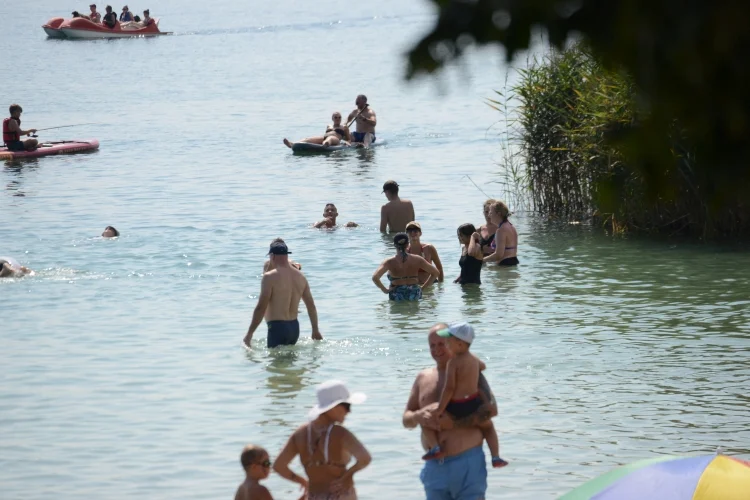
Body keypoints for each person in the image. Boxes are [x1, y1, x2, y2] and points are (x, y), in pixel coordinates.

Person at [403, 323, 500, 500]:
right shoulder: (423, 378)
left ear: (453, 343)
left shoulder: (470, 370)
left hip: (468, 464)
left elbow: (491, 410)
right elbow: (406, 419)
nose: (436, 350)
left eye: (441, 344)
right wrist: (419, 416)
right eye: (432, 345)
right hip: (435, 467)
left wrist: (454, 423)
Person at [422, 322, 507, 469]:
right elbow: (483, 366)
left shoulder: (453, 363)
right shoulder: (473, 360)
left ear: (460, 344)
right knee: (489, 427)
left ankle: (435, 448)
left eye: (448, 342)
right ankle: (496, 456)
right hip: (473, 403)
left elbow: (449, 388)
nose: (446, 345)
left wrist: (440, 409)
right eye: (434, 345)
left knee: (427, 420)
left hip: (457, 405)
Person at [274, 380, 371, 500]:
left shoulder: (300, 433)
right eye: (346, 406)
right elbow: (365, 458)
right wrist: (347, 476)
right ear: (333, 407)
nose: (349, 411)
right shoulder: (340, 433)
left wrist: (303, 482)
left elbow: (279, 466)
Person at [244, 240, 323, 348]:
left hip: (277, 328)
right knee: (290, 363)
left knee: (274, 364)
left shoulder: (269, 277)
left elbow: (261, 307)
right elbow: (311, 306)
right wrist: (315, 330)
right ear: (286, 255)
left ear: (272, 256)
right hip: (294, 328)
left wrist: (249, 334)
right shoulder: (301, 277)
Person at [372, 233, 440, 301]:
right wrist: (422, 288)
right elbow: (435, 273)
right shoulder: (417, 259)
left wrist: (385, 290)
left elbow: (375, 277)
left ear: (394, 245)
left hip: (397, 294)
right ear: (408, 244)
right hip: (414, 293)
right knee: (415, 311)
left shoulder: (389, 262)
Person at [283, 112, 351, 149]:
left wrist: (346, 142)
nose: (338, 119)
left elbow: (348, 139)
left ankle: (325, 145)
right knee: (308, 139)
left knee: (329, 139)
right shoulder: (329, 126)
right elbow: (325, 134)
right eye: (336, 117)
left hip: (335, 139)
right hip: (325, 137)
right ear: (332, 118)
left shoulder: (344, 127)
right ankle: (292, 144)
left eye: (339, 117)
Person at [483, 201, 519, 266]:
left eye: (491, 213)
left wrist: (482, 260)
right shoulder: (511, 226)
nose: (489, 215)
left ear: (498, 214)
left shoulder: (501, 230)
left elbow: (498, 255)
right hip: (513, 261)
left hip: (505, 264)